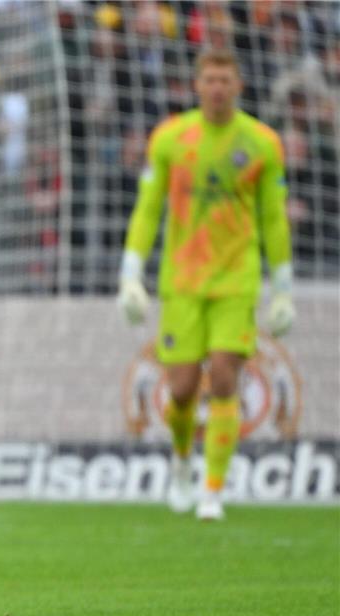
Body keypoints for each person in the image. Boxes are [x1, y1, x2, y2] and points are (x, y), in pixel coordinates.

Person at [116, 49, 296, 521]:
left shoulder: (262, 143)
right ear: (197, 85)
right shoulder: (172, 139)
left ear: (239, 86)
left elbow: (273, 219)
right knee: (179, 389)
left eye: (225, 80)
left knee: (223, 377)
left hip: (236, 280)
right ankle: (180, 464)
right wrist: (130, 274)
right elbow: (148, 208)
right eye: (210, 79)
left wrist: (283, 288)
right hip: (182, 282)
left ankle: (212, 491)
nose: (217, 88)